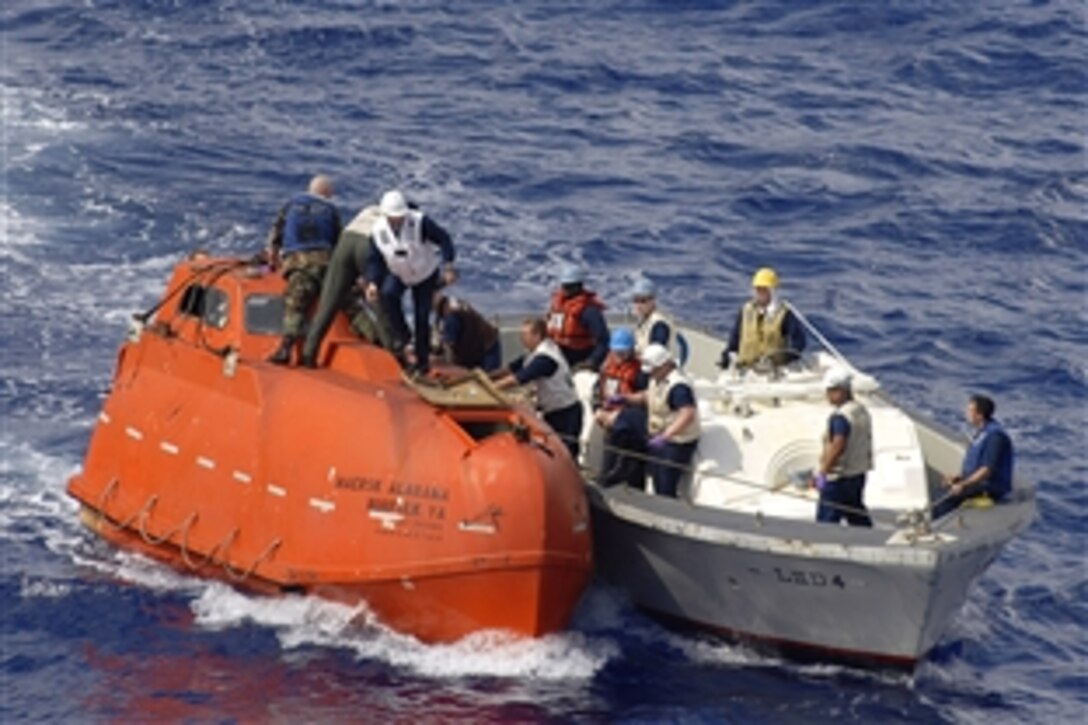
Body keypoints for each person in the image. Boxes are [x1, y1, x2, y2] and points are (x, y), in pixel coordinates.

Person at [364, 189, 457, 375]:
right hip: (399, 273)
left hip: (424, 274)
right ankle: (403, 336)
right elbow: (374, 259)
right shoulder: (377, 231)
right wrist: (372, 282)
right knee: (388, 294)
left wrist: (448, 265)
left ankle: (422, 363)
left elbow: (444, 239)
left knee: (421, 317)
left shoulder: (420, 222)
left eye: (400, 216)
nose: (397, 220)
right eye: (393, 217)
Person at [299, 203, 393, 368]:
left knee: (327, 306)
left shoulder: (367, 210)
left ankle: (309, 354)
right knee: (381, 305)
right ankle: (393, 355)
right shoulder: (399, 221)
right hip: (368, 245)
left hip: (346, 243)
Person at [266, 175, 342, 365]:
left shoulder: (291, 205)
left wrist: (272, 257)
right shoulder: (331, 210)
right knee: (349, 303)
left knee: (296, 304)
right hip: (326, 264)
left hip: (298, 263)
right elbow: (340, 243)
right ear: (326, 194)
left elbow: (275, 234)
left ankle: (286, 347)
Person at [492, 317, 583, 461]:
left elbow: (518, 378)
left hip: (565, 412)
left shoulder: (545, 358)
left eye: (525, 335)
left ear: (537, 335)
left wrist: (491, 388)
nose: (521, 338)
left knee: (565, 455)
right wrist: (486, 376)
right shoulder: (533, 353)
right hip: (552, 411)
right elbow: (510, 369)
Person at [619, 343, 701, 498]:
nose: (651, 375)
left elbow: (687, 413)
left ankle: (668, 508)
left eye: (654, 371)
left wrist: (666, 436)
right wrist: (626, 399)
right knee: (654, 472)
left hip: (677, 441)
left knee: (665, 481)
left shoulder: (678, 386)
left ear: (664, 365)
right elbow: (647, 395)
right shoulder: (656, 378)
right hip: (658, 432)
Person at [933, 394, 1014, 519]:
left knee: (947, 497)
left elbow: (986, 470)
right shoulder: (982, 432)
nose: (967, 414)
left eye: (970, 411)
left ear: (980, 415)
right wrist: (958, 478)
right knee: (942, 488)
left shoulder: (994, 437)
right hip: (978, 483)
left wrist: (963, 484)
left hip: (990, 487)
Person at [811, 368, 873, 527]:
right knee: (856, 513)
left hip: (838, 479)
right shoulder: (860, 410)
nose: (828, 395)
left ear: (843, 391)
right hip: (858, 474)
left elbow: (838, 445)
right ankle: (869, 540)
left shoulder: (840, 417)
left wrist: (823, 474)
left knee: (827, 520)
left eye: (832, 391)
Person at [594, 328, 649, 488]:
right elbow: (598, 390)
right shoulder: (606, 367)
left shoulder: (640, 373)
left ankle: (633, 490)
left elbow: (646, 401)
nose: (619, 357)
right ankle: (606, 484)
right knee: (609, 461)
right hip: (609, 424)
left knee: (632, 466)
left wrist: (622, 415)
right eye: (617, 352)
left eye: (623, 353)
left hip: (630, 428)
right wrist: (597, 409)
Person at [720, 267, 806, 369]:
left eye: (764, 290)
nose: (760, 293)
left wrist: (786, 358)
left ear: (772, 291)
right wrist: (727, 354)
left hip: (773, 372)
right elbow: (735, 338)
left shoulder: (784, 314)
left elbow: (799, 341)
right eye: (758, 289)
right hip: (745, 370)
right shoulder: (746, 311)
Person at [546, 263, 609, 371]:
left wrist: (591, 362)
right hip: (558, 355)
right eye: (564, 286)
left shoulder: (589, 311)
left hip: (581, 358)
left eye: (569, 287)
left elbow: (603, 341)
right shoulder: (557, 306)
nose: (565, 290)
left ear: (578, 286)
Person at [433, 293, 502, 371]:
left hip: (487, 347)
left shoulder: (451, 317)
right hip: (473, 347)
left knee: (491, 377)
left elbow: (449, 346)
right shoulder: (453, 304)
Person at [630, 277, 675, 355]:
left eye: (643, 301)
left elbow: (656, 355)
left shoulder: (659, 324)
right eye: (636, 300)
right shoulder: (644, 320)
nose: (638, 305)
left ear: (653, 300)